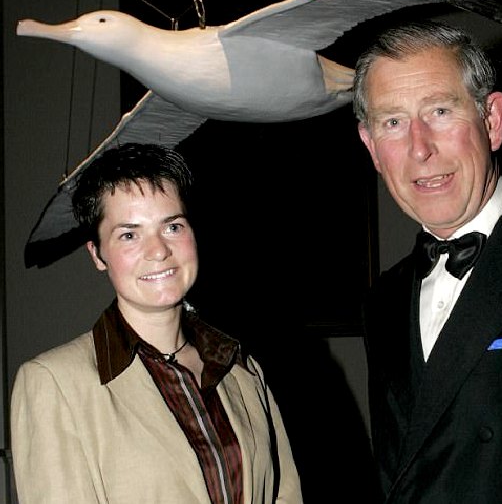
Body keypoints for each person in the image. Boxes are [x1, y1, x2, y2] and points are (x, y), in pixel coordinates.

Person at [353, 20, 502, 502]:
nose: (419, 147)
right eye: (393, 122)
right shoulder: (384, 301)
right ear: (371, 148)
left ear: (492, 120)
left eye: (439, 110)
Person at [11, 142, 303, 503]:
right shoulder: (54, 384)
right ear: (97, 254)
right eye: (129, 234)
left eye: (172, 226)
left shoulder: (241, 370)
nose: (158, 251)